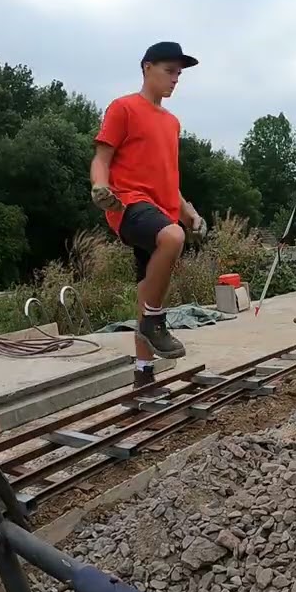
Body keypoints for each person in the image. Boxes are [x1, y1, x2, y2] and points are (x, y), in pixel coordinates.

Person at [90, 41, 208, 387]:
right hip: (128, 205)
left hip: (162, 208)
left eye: (179, 74)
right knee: (172, 237)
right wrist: (100, 187)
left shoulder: (172, 123)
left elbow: (168, 180)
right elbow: (101, 158)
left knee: (146, 287)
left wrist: (190, 213)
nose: (176, 79)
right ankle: (155, 321)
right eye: (170, 71)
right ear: (147, 68)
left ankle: (143, 373)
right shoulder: (123, 108)